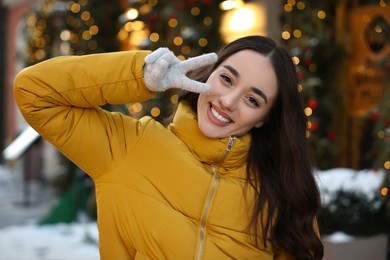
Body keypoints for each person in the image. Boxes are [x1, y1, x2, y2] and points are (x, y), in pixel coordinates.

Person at [14, 35, 323, 259]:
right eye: (227, 79)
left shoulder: (281, 191)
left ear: (263, 120)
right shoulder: (130, 146)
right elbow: (34, 92)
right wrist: (140, 76)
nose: (228, 102)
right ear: (210, 73)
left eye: (252, 100)